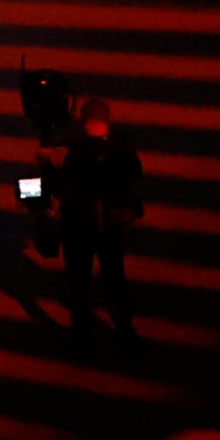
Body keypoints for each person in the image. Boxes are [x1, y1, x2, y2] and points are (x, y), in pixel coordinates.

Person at [59, 97, 149, 337]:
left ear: (87, 122)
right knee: (114, 279)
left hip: (81, 227)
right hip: (111, 226)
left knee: (79, 282)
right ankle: (124, 330)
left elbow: (64, 187)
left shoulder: (77, 153)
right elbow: (136, 180)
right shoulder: (123, 150)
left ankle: (81, 335)